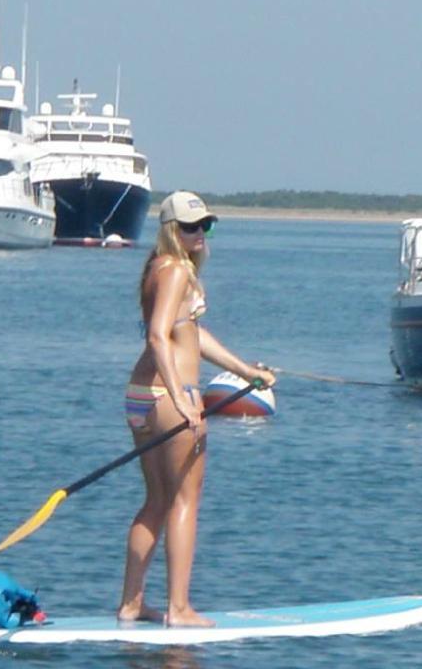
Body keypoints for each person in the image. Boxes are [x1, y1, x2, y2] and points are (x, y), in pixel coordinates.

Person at [117, 191, 275, 627]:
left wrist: (246, 371)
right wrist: (184, 399)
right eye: (190, 226)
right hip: (170, 395)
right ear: (172, 230)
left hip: (140, 395)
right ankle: (179, 609)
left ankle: (132, 604)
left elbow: (191, 337)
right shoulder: (176, 271)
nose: (200, 233)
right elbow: (157, 336)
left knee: (157, 499)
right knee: (185, 500)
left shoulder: (157, 267)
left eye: (205, 225)